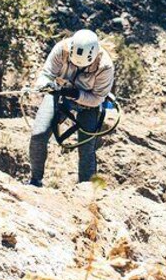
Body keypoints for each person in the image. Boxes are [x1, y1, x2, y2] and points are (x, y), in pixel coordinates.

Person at [29, 29, 115, 187]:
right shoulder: (62, 49)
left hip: (88, 104)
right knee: (38, 135)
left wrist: (77, 94)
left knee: (86, 148)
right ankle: (35, 180)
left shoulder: (105, 66)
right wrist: (44, 85)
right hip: (59, 94)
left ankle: (86, 189)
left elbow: (97, 98)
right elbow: (47, 74)